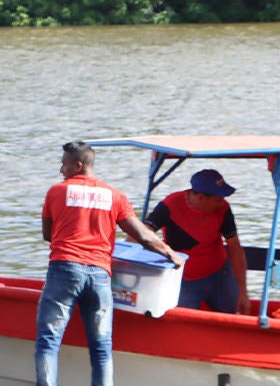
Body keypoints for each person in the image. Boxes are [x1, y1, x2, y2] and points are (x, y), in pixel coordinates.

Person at [37, 141, 183, 386]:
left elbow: (47, 235)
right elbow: (143, 236)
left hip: (64, 269)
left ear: (78, 165)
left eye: (63, 165)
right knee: (102, 347)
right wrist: (170, 253)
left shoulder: (56, 191)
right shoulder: (115, 196)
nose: (61, 170)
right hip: (99, 275)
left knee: (48, 341)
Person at [146, 169, 249, 314]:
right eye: (218, 199)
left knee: (233, 315)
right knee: (185, 323)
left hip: (220, 274)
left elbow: (235, 247)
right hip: (183, 278)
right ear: (201, 197)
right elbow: (140, 234)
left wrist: (243, 292)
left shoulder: (223, 209)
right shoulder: (170, 205)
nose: (223, 203)